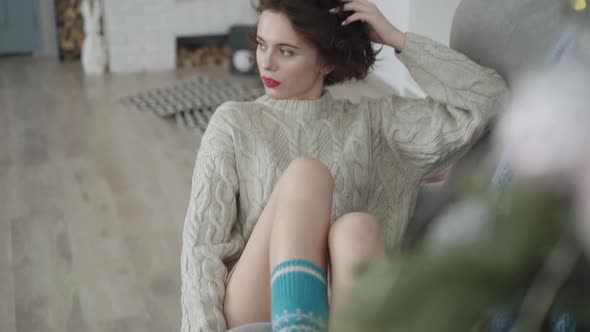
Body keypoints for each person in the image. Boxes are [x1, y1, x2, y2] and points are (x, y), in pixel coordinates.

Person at [180, 0, 508, 331]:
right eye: (262, 45)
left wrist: (398, 39)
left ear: (325, 62)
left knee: (357, 228)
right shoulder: (235, 122)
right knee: (307, 175)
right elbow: (201, 247)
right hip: (256, 302)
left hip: (342, 306)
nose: (265, 62)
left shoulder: (377, 124)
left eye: (286, 51)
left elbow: (488, 100)